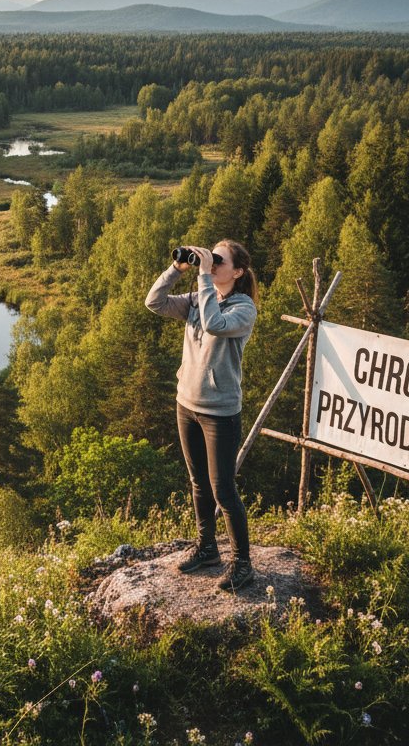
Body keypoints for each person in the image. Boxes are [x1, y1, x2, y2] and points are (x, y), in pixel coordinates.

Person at [145, 239, 259, 592]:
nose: (210, 262)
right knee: (198, 484)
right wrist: (178, 269)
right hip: (187, 403)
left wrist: (203, 279)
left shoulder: (244, 309)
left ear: (237, 272)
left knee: (224, 490)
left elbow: (213, 325)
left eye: (218, 259)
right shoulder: (197, 298)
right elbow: (154, 302)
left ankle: (243, 564)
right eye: (209, 256)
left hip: (219, 412)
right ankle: (208, 549)